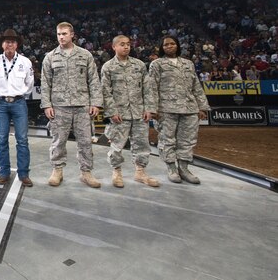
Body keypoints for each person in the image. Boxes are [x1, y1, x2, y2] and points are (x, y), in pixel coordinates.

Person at [41, 22, 103, 188]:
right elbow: (45, 83)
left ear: (72, 35)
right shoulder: (50, 57)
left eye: (64, 34)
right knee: (58, 141)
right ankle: (57, 170)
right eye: (59, 34)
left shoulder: (85, 55)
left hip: (82, 105)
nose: (61, 37)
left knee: (85, 141)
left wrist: (96, 102)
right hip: (59, 106)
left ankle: (86, 172)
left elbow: (94, 80)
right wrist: (47, 105)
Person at [148, 35, 210, 184]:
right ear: (162, 48)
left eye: (172, 44)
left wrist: (202, 106)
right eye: (166, 45)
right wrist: (153, 109)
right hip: (166, 109)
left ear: (177, 46)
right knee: (167, 140)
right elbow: (152, 87)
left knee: (187, 141)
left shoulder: (188, 64)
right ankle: (172, 169)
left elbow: (196, 86)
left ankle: (184, 168)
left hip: (189, 108)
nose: (169, 46)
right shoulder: (157, 64)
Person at [100, 35, 159, 188]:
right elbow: (105, 92)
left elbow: (147, 89)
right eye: (122, 44)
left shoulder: (139, 65)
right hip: (119, 114)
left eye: (128, 44)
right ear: (114, 47)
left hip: (139, 112)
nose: (126, 47)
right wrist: (112, 112)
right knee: (116, 146)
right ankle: (116, 171)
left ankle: (140, 172)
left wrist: (149, 109)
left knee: (142, 144)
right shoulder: (108, 67)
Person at [0, 29, 34, 186]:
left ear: (17, 44)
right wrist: (0, 97)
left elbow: (29, 84)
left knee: (22, 140)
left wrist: (19, 95)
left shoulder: (25, 62)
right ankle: (4, 173)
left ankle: (23, 174)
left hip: (19, 103)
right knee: (1, 140)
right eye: (7, 41)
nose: (10, 44)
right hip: (1, 103)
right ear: (2, 44)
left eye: (13, 41)